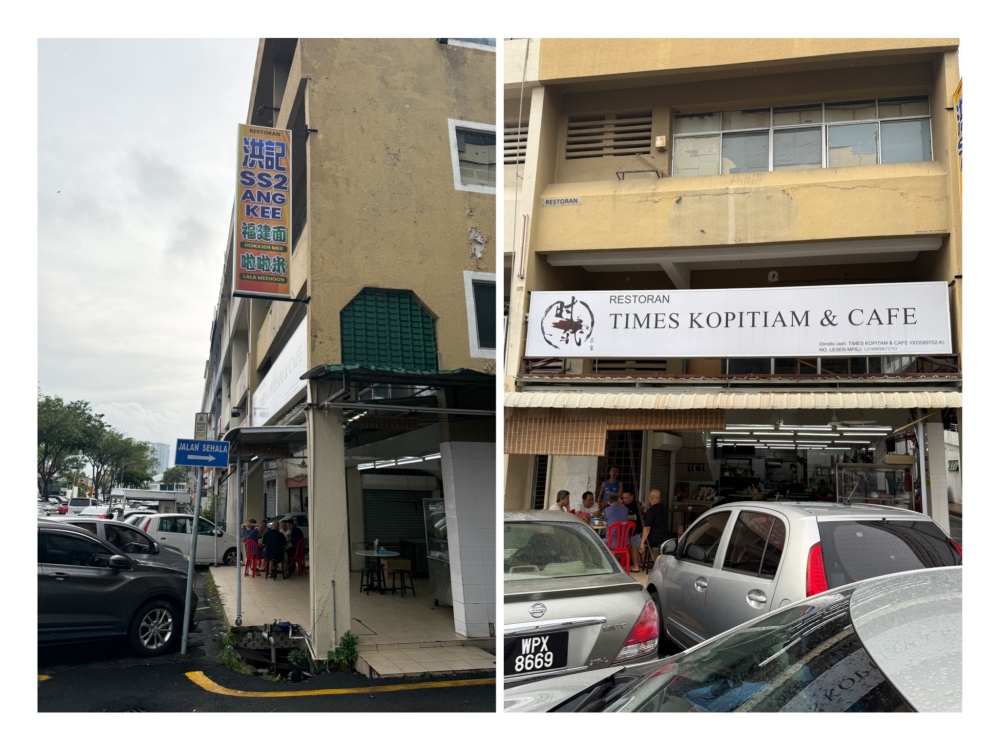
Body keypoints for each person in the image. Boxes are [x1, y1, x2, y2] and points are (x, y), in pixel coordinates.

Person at [632, 489, 672, 572]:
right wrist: (647, 507)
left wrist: (642, 543)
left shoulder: (650, 512)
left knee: (632, 541)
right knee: (645, 537)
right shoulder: (664, 508)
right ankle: (647, 561)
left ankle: (636, 566)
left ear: (650, 498)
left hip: (653, 538)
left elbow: (647, 529)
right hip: (664, 537)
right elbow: (656, 512)